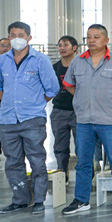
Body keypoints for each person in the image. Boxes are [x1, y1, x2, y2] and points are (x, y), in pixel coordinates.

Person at [60, 25, 112, 216]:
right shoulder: (78, 61)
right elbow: (69, 85)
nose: (91, 40)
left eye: (96, 37)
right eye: (89, 37)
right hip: (84, 120)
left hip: (109, 120)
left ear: (106, 40)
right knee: (83, 162)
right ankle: (81, 200)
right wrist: (83, 98)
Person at [0, 22, 59, 215]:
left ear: (29, 38)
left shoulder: (40, 60)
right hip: (7, 120)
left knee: (37, 160)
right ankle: (20, 200)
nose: (16, 39)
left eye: (21, 35)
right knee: (13, 162)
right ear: (8, 37)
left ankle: (39, 200)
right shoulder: (2, 61)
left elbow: (52, 88)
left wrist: (36, 104)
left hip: (32, 119)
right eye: (13, 35)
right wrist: (9, 102)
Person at [50, 35, 79, 178]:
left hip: (78, 111)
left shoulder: (81, 66)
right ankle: (62, 174)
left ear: (74, 48)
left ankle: (86, 174)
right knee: (60, 146)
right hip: (59, 111)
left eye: (66, 45)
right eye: (60, 45)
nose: (62, 48)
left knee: (82, 145)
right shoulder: (54, 68)